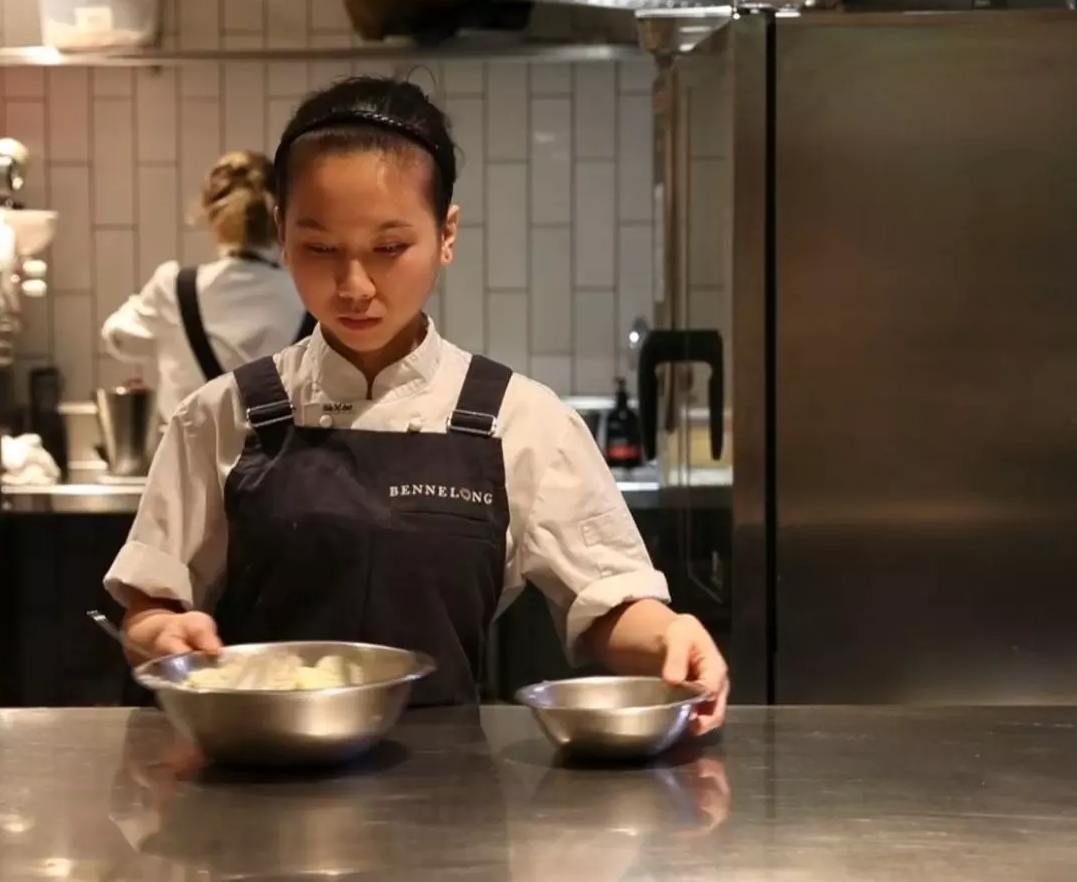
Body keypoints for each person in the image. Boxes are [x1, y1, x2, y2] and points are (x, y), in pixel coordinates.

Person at [104, 77, 729, 733]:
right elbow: (151, 605)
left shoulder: (519, 420)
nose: (354, 286)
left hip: (450, 794)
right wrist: (162, 634)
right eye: (320, 248)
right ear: (282, 235)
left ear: (446, 234)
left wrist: (670, 635)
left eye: (389, 248)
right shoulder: (219, 415)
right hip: (256, 783)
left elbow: (605, 601)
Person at [99, 151, 312, 433]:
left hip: (191, 470)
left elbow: (118, 337)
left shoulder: (174, 290)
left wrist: (169, 342)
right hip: (285, 472)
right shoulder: (308, 292)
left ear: (210, 213)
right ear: (281, 217)